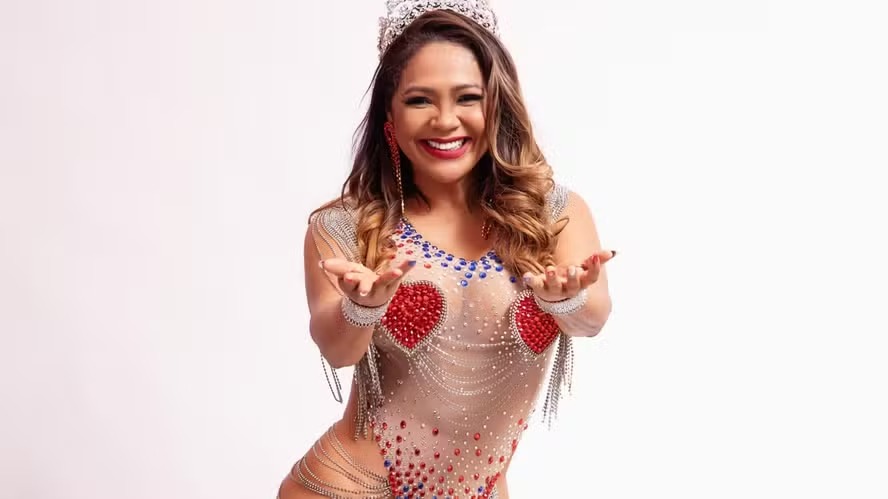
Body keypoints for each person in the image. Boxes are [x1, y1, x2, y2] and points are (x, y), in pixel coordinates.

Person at [278, 1, 616, 497]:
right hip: (350, 487)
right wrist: (363, 308)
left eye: (467, 98)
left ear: (497, 106)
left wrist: (564, 301)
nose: (444, 120)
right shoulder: (345, 226)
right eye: (419, 100)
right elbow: (336, 349)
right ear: (390, 115)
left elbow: (593, 319)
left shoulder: (552, 213)